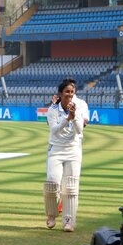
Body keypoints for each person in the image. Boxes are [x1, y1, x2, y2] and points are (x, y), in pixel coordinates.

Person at [44, 78, 85, 232]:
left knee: (71, 187)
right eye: (67, 92)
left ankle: (69, 221)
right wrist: (67, 118)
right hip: (56, 149)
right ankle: (51, 214)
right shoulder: (52, 110)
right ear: (60, 94)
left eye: (72, 92)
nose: (69, 95)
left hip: (73, 150)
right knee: (52, 183)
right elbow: (54, 130)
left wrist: (73, 118)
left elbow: (80, 130)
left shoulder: (78, 108)